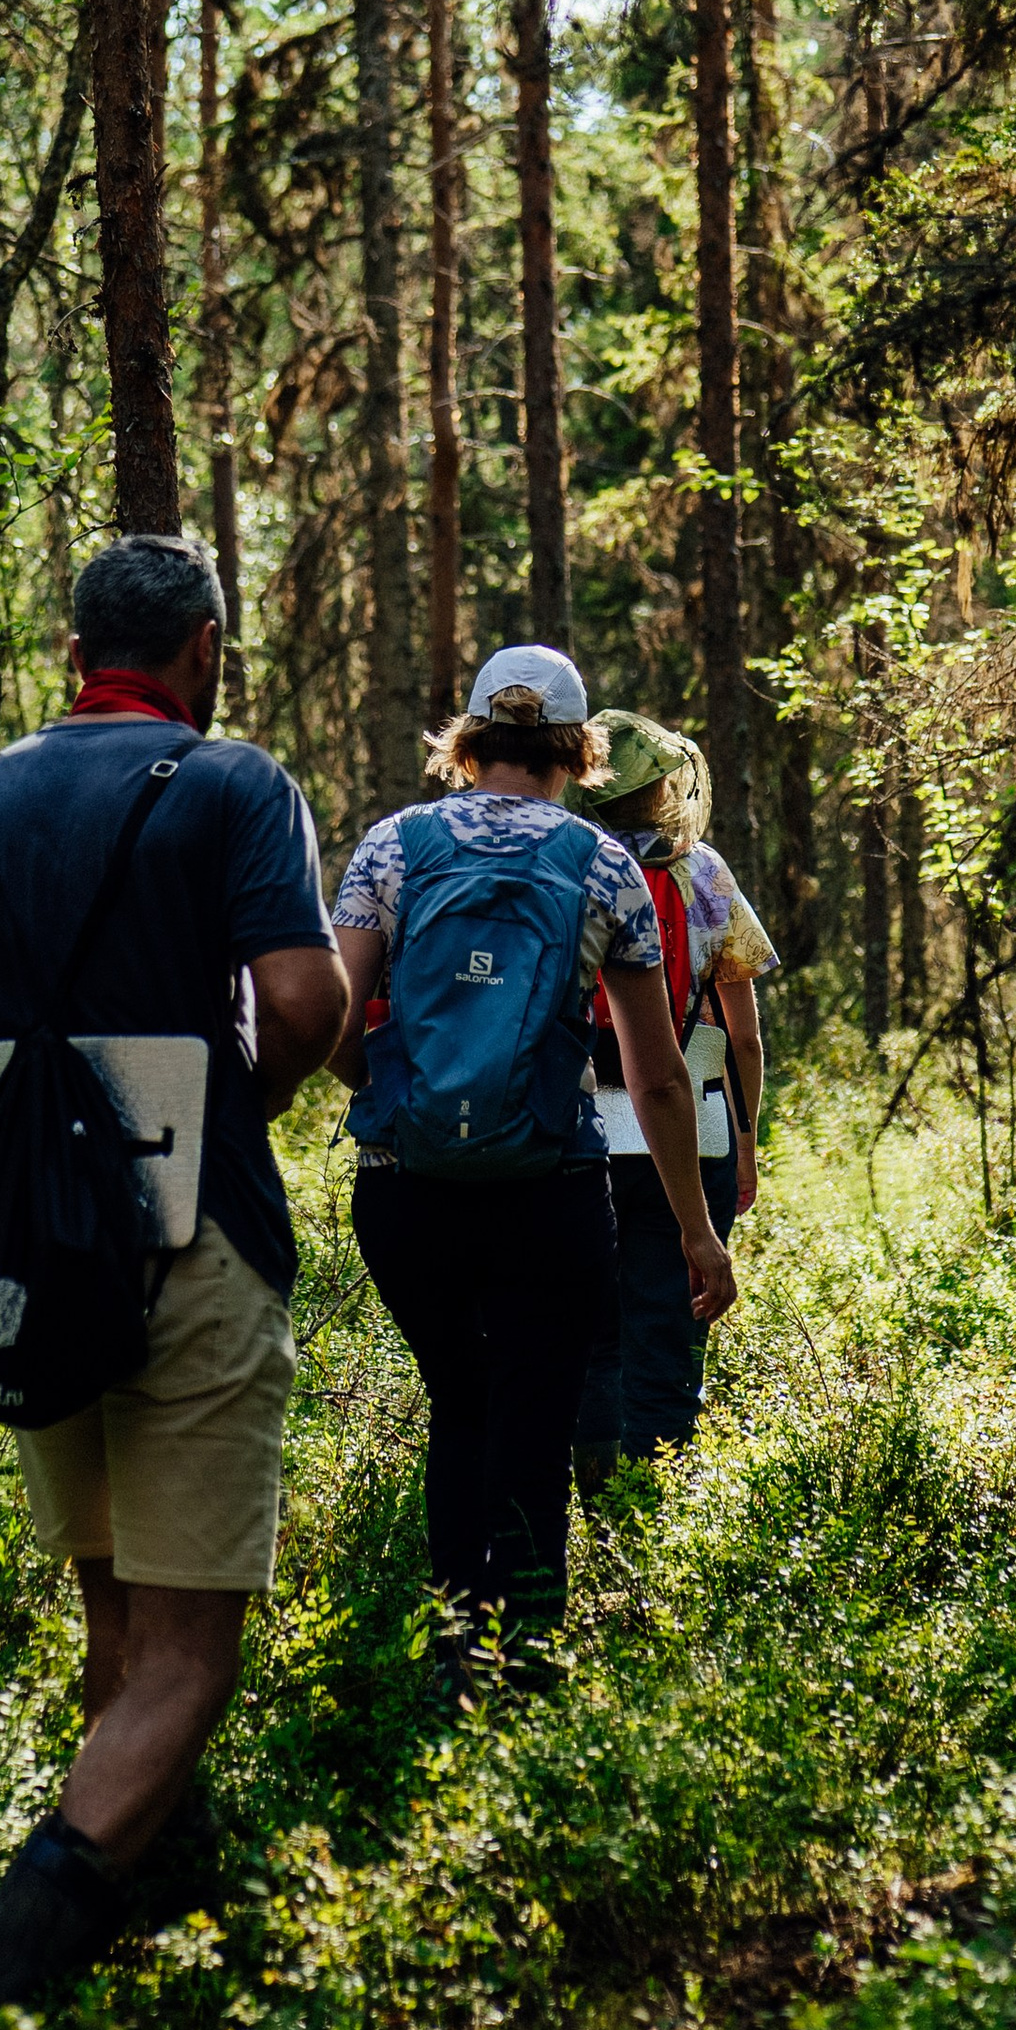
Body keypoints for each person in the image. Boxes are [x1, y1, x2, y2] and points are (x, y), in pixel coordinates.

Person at [0, 530, 346, 2030]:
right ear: (202, 646)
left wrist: (28, 1111)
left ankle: (144, 1928)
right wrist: (204, 1107)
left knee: (118, 1617)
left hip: (32, 1260)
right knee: (191, 1658)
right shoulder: (234, 786)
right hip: (191, 1236)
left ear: (77, 650)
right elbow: (310, 1000)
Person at [329, 647, 737, 1684]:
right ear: (577, 749)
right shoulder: (604, 866)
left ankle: (454, 1638)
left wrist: (388, 1093)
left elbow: (333, 1020)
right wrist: (696, 1229)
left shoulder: (393, 846)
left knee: (458, 1398)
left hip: (403, 1186)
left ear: (466, 741)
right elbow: (653, 1082)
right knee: (537, 1407)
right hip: (550, 1189)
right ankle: (532, 1643)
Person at [571, 710, 779, 1481]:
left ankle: (594, 1490)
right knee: (676, 1312)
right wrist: (749, 1141)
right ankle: (658, 1490)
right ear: (664, 788)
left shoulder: (566, 867)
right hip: (693, 1124)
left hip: (583, 1122)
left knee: (596, 1327)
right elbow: (744, 1036)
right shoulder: (706, 874)